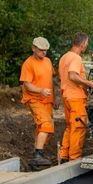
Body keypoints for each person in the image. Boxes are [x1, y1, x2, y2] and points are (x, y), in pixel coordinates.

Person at [58, 32, 93, 161]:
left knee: (70, 126)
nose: (87, 46)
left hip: (66, 96)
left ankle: (63, 155)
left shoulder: (64, 57)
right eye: (86, 44)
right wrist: (90, 84)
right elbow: (72, 75)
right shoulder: (76, 58)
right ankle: (74, 158)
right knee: (78, 128)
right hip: (75, 98)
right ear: (82, 44)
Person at [20, 37, 56, 167]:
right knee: (46, 124)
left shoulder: (48, 61)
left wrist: (54, 98)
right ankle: (38, 155)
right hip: (35, 99)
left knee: (43, 128)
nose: (44, 53)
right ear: (33, 48)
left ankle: (37, 155)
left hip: (47, 100)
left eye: (46, 50)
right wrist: (40, 91)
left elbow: (51, 81)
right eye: (41, 50)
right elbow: (27, 84)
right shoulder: (28, 64)